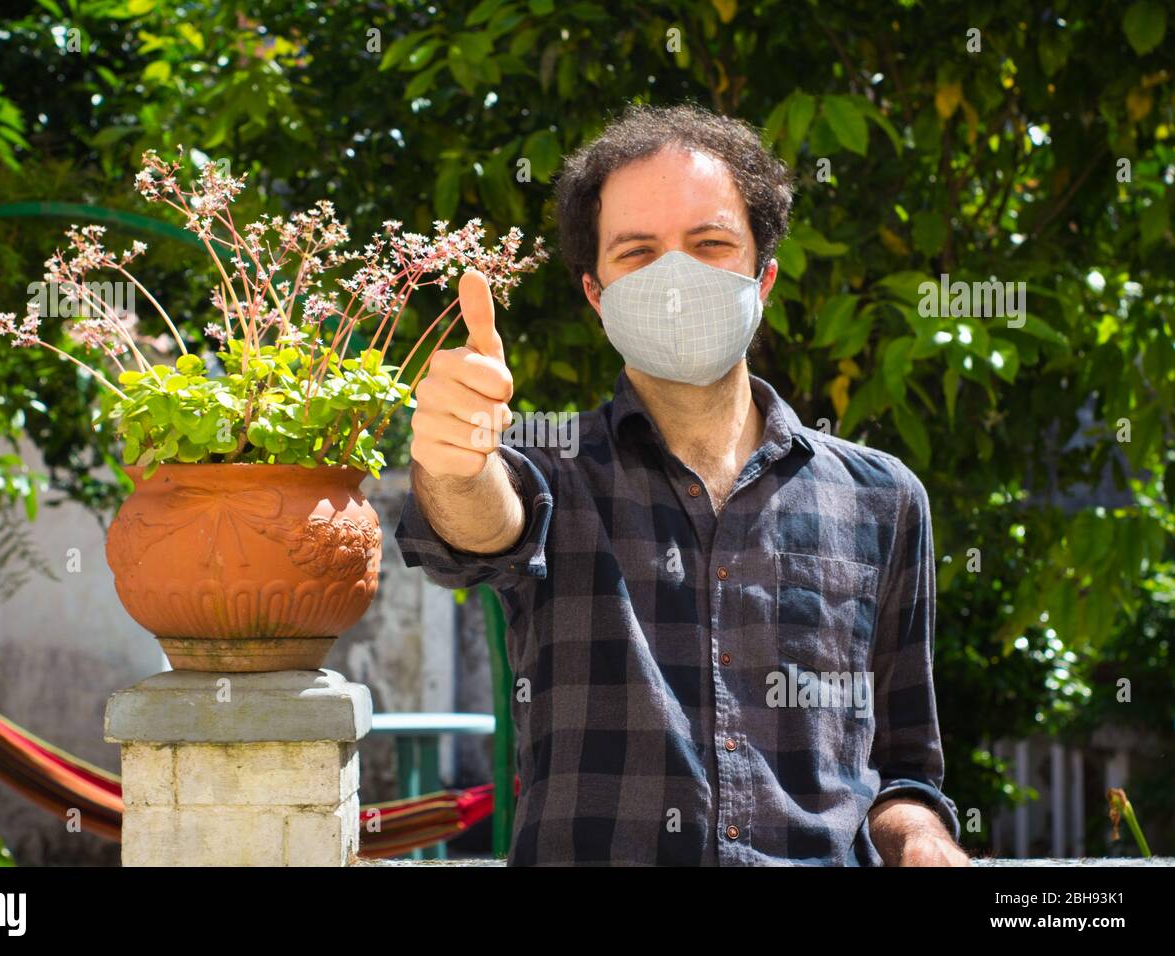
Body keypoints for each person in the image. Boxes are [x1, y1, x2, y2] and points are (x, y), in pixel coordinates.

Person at [395, 102, 969, 866]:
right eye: (638, 252)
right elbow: (480, 524)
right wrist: (453, 463)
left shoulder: (883, 498)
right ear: (597, 294)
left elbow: (902, 771)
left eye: (710, 244)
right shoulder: (550, 465)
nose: (675, 276)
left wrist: (925, 843)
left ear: (761, 275)